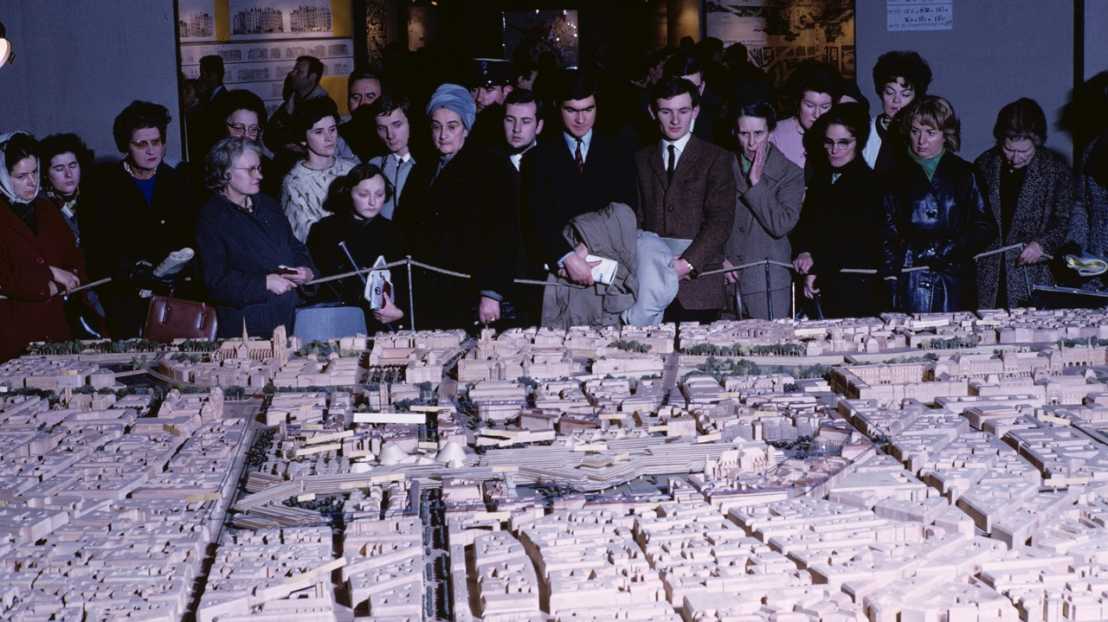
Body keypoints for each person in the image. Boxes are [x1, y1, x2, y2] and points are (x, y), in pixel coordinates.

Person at [396, 83, 518, 329]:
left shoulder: (492, 165)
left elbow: (505, 232)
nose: (443, 135)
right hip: (427, 293)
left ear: (466, 128)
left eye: (452, 127)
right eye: (437, 126)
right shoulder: (423, 169)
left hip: (470, 294)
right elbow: (404, 228)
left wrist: (491, 293)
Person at [82, 100, 197, 338]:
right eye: (141, 144)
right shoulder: (103, 187)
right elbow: (96, 247)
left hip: (174, 297)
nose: (151, 150)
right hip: (126, 298)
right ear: (126, 145)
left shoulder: (180, 182)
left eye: (156, 142)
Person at [632, 77, 736, 322]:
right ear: (652, 112)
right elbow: (635, 217)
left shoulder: (716, 158)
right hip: (649, 281)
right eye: (666, 112)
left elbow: (720, 221)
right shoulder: (640, 158)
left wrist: (688, 264)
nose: (675, 120)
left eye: (683, 111)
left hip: (699, 285)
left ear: (696, 112)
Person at [522, 69, 638, 289]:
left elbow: (627, 209)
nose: (581, 119)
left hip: (609, 262)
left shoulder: (619, 151)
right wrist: (566, 257)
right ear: (558, 107)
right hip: (559, 271)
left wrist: (584, 249)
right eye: (571, 110)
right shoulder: (537, 158)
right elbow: (536, 218)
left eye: (588, 109)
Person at [881, 96, 996, 313]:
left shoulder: (966, 173)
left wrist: (948, 248)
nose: (921, 141)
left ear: (946, 134)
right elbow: (886, 233)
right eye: (915, 131)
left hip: (954, 281)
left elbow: (986, 227)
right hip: (909, 283)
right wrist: (892, 278)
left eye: (930, 133)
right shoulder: (892, 176)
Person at [196, 137, 314, 337]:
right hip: (246, 327)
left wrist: (306, 271)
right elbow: (215, 282)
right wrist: (264, 283)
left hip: (288, 317)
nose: (259, 175)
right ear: (226, 173)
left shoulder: (267, 204)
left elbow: (295, 247)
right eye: (250, 169)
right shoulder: (211, 217)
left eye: (259, 168)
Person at [975, 98, 1073, 308]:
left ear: (1037, 143)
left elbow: (1064, 220)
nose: (1015, 158)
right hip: (989, 275)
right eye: (1009, 149)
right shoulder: (984, 164)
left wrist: (1042, 244)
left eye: (1024, 152)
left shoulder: (1055, 170)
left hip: (1033, 274)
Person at [791, 103, 886, 318]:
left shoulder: (871, 185)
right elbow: (806, 224)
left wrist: (818, 269)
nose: (834, 150)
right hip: (818, 289)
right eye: (829, 142)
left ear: (859, 142)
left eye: (843, 143)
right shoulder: (820, 179)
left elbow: (857, 242)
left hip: (855, 291)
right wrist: (804, 250)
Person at [0, 132, 85, 361]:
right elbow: (6, 278)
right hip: (12, 333)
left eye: (35, 172)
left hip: (55, 329)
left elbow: (74, 259)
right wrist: (50, 274)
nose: (32, 182)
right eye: (21, 176)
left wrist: (68, 278)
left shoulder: (47, 209)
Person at [721, 100, 804, 320]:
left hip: (768, 286)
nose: (751, 143)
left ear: (771, 132)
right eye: (743, 133)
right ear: (733, 132)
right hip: (724, 279)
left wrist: (757, 183)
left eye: (758, 133)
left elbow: (781, 224)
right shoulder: (719, 166)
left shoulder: (790, 173)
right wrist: (717, 257)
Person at [307, 163, 406, 329]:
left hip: (381, 325)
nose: (373, 202)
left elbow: (402, 284)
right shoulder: (324, 230)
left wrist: (398, 311)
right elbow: (317, 285)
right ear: (348, 193)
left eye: (380, 194)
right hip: (336, 321)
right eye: (363, 194)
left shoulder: (394, 232)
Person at [280, 96, 358, 242]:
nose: (329, 138)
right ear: (303, 138)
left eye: (332, 129)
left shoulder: (351, 169)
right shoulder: (294, 182)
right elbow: (301, 236)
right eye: (319, 132)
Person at [862, 51, 932, 175]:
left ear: (916, 97)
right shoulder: (865, 130)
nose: (896, 100)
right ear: (881, 93)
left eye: (905, 94)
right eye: (890, 92)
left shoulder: (923, 134)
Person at [769, 61, 843, 172]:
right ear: (798, 103)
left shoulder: (841, 134)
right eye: (810, 105)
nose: (817, 114)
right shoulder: (776, 135)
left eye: (825, 107)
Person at [366, 93, 416, 220]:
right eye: (382, 128)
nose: (390, 135)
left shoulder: (425, 164)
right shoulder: (374, 165)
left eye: (397, 125)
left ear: (410, 122)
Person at [39, 133, 93, 246]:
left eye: (73, 166)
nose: (68, 174)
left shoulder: (95, 196)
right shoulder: (38, 206)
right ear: (45, 173)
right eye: (59, 169)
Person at [662, 51, 723, 145]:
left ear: (702, 88)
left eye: (693, 89)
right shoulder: (654, 123)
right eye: (680, 89)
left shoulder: (718, 122)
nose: (687, 96)